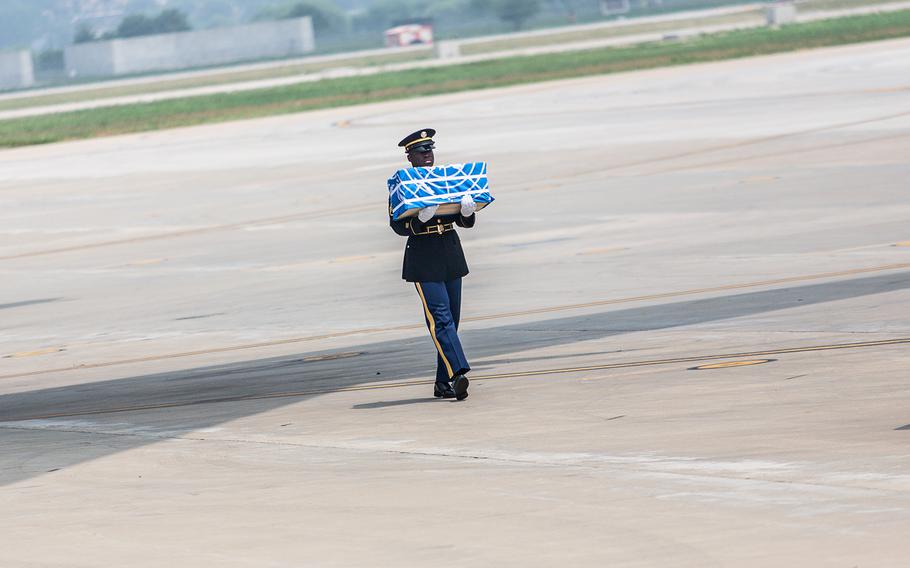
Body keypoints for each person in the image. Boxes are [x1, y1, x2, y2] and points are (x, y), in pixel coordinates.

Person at [389, 128, 477, 401]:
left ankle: (442, 382)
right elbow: (398, 225)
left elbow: (461, 219)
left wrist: (467, 213)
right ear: (410, 157)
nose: (427, 155)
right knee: (441, 318)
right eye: (421, 151)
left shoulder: (445, 180)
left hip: (449, 251)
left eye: (429, 150)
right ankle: (458, 373)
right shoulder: (402, 184)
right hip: (423, 257)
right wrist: (419, 220)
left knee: (453, 319)